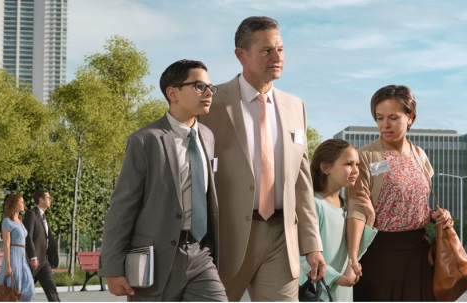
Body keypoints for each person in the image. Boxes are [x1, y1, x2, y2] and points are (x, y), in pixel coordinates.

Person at [202, 16, 326, 301]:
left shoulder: (295, 106)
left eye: (280, 50)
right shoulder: (212, 103)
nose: (277, 57)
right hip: (226, 238)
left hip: (282, 237)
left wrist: (312, 243)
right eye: (267, 50)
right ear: (241, 55)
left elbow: (301, 181)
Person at [99, 60, 227, 301]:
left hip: (200, 253)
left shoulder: (207, 137)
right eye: (199, 86)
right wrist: (113, 268)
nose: (209, 92)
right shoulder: (145, 140)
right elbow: (123, 206)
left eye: (211, 87)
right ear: (172, 93)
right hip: (155, 260)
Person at [346, 84, 454, 301]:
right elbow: (356, 212)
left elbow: (417, 202)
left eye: (393, 118)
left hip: (419, 256)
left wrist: (436, 215)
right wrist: (352, 258)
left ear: (410, 117)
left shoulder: (419, 155)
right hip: (379, 256)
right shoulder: (365, 157)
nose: (384, 125)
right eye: (379, 118)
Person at [299, 139, 377, 301]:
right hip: (316, 291)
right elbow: (302, 257)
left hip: (342, 292)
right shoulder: (313, 204)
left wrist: (370, 219)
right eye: (348, 164)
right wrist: (338, 278)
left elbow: (353, 253)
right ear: (325, 168)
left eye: (357, 164)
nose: (356, 170)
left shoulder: (346, 207)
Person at [24, 190, 59, 302]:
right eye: (48, 197)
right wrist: (33, 257)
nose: (50, 200)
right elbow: (28, 237)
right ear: (41, 199)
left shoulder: (43, 216)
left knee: (51, 289)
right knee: (24, 290)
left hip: (44, 260)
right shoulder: (31, 214)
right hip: (33, 261)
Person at [1, 194, 34, 302]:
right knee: (13, 290)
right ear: (14, 204)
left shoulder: (20, 221)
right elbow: (6, 245)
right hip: (13, 257)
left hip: (22, 258)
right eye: (21, 202)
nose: (24, 204)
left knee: (29, 290)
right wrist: (8, 266)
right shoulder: (7, 221)